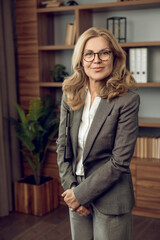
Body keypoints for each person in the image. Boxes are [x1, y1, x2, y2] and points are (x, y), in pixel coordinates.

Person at [56, 27, 140, 240]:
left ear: (114, 57)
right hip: (74, 190)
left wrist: (80, 195)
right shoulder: (70, 95)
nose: (97, 60)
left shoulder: (127, 100)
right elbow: (63, 147)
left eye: (104, 53)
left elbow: (119, 161)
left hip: (110, 196)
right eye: (89, 54)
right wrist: (72, 191)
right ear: (81, 59)